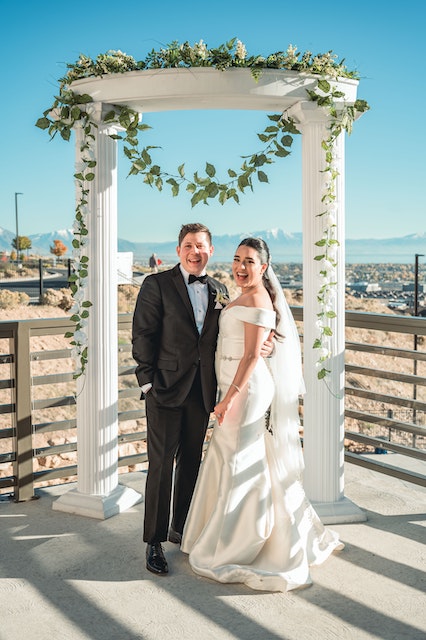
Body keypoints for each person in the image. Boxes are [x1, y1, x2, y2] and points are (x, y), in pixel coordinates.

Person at [181, 237, 343, 592]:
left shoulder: (258, 298)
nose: (241, 266)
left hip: (247, 390)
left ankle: (237, 541)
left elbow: (253, 356)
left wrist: (228, 399)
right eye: (237, 259)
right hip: (231, 385)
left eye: (250, 261)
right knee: (233, 456)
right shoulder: (238, 295)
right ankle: (221, 531)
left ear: (264, 267)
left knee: (239, 459)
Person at [132, 224, 273, 576]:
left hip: (202, 393)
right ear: (179, 250)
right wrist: (147, 383)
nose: (195, 252)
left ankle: (182, 526)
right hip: (163, 390)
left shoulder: (220, 290)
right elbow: (142, 335)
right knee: (161, 465)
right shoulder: (156, 284)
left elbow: (237, 334)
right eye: (189, 246)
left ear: (210, 251)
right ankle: (154, 541)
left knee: (192, 462)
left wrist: (265, 346)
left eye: (201, 246)